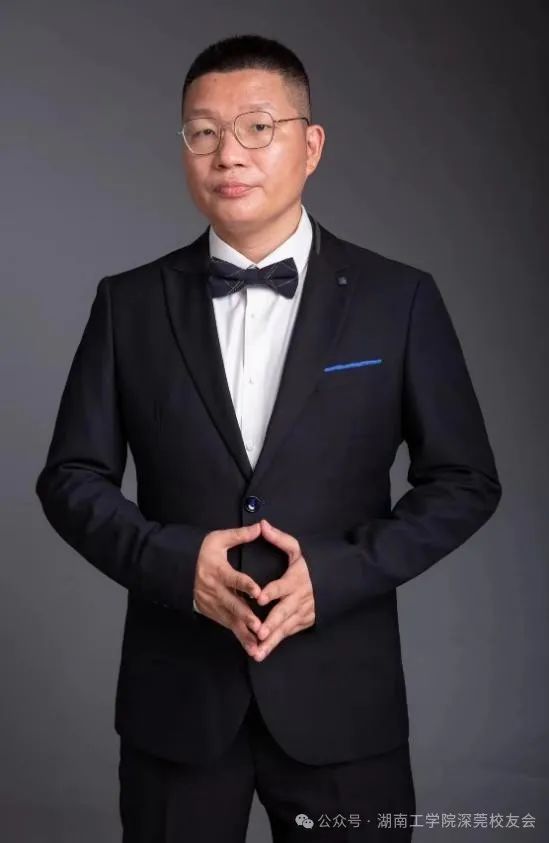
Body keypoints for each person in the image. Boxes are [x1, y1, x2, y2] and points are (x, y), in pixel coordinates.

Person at [35, 33, 502, 843]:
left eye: (257, 127)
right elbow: (70, 477)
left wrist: (338, 573)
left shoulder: (399, 300)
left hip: (344, 703)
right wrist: (176, 564)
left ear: (310, 146)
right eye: (203, 131)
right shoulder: (127, 304)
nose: (228, 154)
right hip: (176, 705)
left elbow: (465, 479)